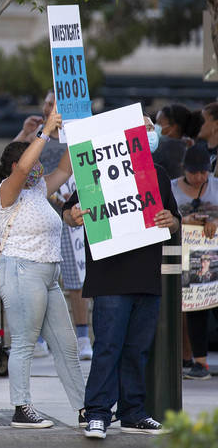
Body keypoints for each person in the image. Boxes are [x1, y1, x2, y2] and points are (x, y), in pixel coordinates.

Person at [63, 115, 180, 439]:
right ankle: (98, 413)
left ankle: (133, 413)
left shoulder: (158, 176)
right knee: (109, 347)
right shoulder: (95, 174)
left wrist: (170, 221)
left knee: (136, 350)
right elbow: (70, 213)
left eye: (150, 128)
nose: (149, 133)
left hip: (146, 278)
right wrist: (72, 217)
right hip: (111, 278)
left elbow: (173, 222)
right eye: (142, 128)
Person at [0, 110, 85, 429]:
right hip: (21, 271)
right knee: (25, 342)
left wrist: (71, 130)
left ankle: (84, 408)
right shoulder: (7, 190)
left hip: (47, 275)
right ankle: (22, 407)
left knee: (67, 345)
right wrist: (43, 132)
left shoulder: (38, 190)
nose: (38, 169)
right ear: (16, 167)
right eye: (32, 164)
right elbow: (28, 165)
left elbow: (65, 168)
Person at [15, 90, 91, 359]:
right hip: (38, 217)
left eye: (52, 104)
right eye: (46, 103)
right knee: (41, 279)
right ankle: (38, 337)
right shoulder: (36, 134)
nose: (47, 108)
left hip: (68, 215)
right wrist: (25, 133)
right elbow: (11, 162)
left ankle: (83, 337)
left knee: (75, 280)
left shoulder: (75, 135)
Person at [172, 143, 218, 380]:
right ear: (184, 170)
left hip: (214, 255)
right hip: (187, 258)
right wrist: (184, 219)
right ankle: (199, 361)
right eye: (194, 172)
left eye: (204, 172)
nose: (200, 177)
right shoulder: (172, 189)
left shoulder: (216, 187)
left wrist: (214, 222)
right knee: (196, 309)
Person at [154, 103, 199, 179]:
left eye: (159, 123)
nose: (154, 126)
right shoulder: (187, 145)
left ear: (174, 127)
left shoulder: (162, 145)